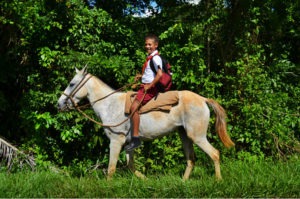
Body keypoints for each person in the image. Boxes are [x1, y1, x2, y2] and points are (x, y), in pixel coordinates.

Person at [125, 34, 163, 151]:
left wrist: (149, 86)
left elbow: (159, 74)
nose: (147, 46)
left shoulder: (156, 58)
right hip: (144, 87)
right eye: (146, 44)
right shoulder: (150, 58)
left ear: (155, 45)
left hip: (149, 89)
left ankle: (136, 139)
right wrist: (141, 77)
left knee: (134, 107)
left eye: (150, 44)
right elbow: (150, 74)